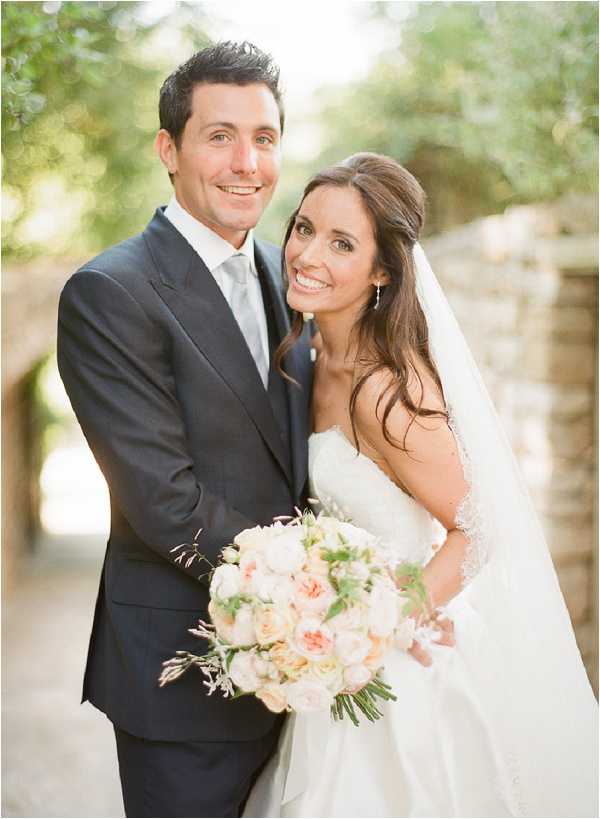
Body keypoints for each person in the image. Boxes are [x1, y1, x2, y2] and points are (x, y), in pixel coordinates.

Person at [244, 153, 598, 818]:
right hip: (335, 667)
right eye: (304, 228)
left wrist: (383, 621)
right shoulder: (311, 359)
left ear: (382, 271)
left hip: (401, 675)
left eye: (341, 243)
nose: (308, 253)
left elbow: (480, 525)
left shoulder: (386, 391)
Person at [57, 41, 312, 818]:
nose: (247, 163)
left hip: (313, 674)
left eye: (264, 138)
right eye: (220, 135)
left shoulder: (292, 274)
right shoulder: (110, 292)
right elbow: (165, 501)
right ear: (169, 149)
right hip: (188, 671)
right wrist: (317, 589)